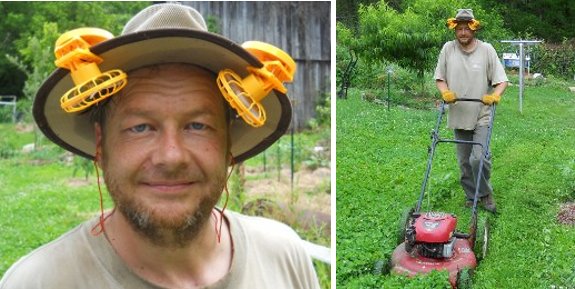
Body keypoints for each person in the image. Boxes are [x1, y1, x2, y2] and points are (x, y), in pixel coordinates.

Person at [0, 3, 320, 288]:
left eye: (198, 126)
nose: (171, 156)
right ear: (101, 145)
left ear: (229, 144)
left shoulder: (286, 257)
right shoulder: (37, 281)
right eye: (140, 127)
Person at [434, 9, 508, 213]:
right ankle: (470, 195)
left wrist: (495, 95)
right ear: (454, 30)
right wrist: (445, 92)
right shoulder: (448, 49)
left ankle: (484, 194)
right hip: (458, 113)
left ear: (473, 29)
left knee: (478, 157)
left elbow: (501, 81)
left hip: (481, 113)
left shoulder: (486, 50)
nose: (463, 32)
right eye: (460, 29)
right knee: (465, 162)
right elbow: (440, 77)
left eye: (467, 28)